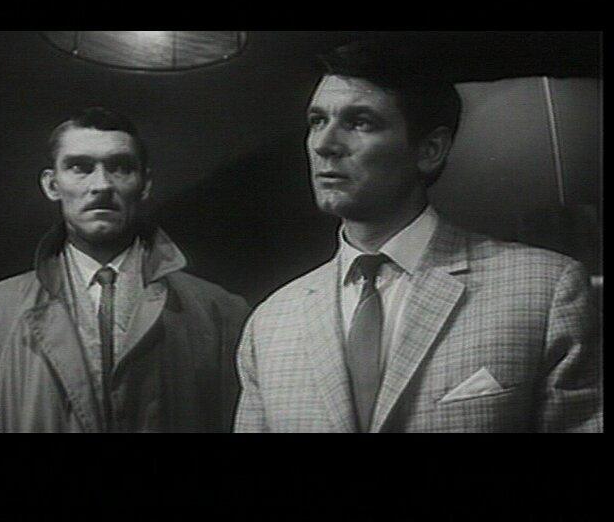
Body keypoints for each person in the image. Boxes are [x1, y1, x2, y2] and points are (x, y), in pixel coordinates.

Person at [234, 39, 602, 433]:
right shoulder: (271, 323)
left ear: (430, 150)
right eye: (317, 120)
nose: (324, 144)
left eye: (360, 122)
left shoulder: (543, 291)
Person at [0, 106, 249, 432]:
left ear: (144, 184)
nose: (102, 184)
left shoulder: (219, 314)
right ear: (52, 185)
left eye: (120, 168)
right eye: (80, 167)